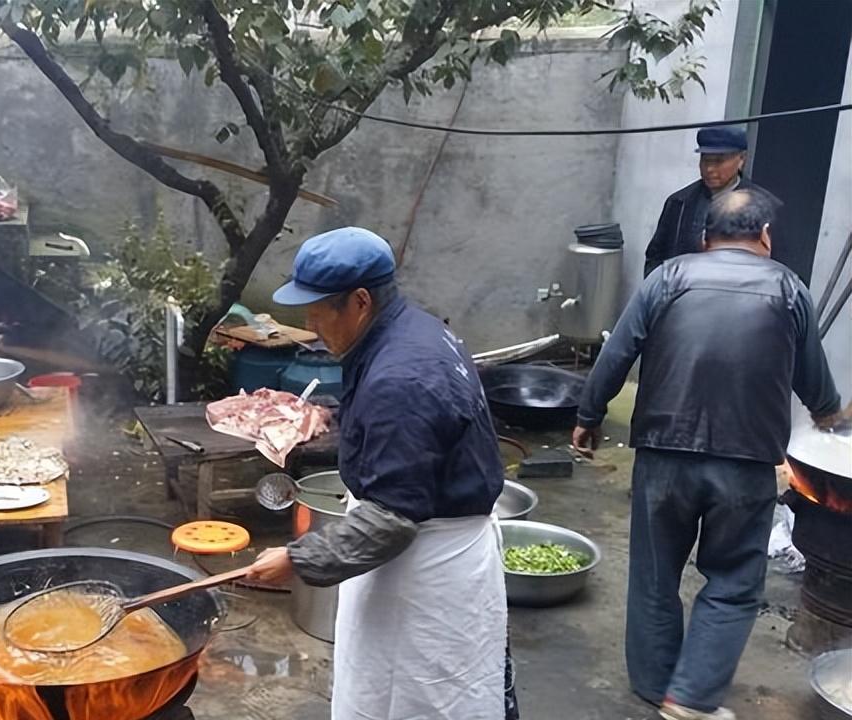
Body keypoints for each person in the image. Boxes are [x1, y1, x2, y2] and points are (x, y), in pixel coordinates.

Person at [572, 189, 844, 720]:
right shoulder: (790, 289)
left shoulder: (668, 278)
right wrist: (830, 415)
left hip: (662, 456)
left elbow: (616, 352)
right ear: (765, 235)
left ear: (705, 237)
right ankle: (691, 698)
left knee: (654, 575)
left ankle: (655, 687)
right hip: (744, 466)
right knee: (735, 580)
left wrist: (588, 415)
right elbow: (815, 382)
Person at [246, 227, 509, 720]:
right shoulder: (416, 328)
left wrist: (300, 559)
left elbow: (391, 519)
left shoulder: (402, 380)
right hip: (431, 548)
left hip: (429, 569)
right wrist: (335, 414)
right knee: (397, 691)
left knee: (421, 699)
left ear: (360, 301)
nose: (310, 322)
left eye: (318, 309)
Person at [643, 126, 778, 276]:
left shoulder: (766, 208)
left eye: (719, 161)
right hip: (683, 293)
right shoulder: (680, 202)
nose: (709, 169)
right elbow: (655, 258)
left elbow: (778, 268)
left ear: (741, 159)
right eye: (705, 160)